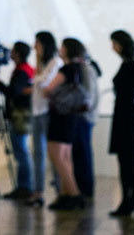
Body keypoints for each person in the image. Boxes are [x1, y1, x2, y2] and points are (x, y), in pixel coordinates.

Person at [42, 38, 88, 211]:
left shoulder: (67, 69)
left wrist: (45, 91)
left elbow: (48, 88)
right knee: (66, 155)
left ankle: (74, 194)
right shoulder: (80, 68)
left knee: (57, 155)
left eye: (62, 47)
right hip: (72, 115)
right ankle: (66, 193)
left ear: (67, 49)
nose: (60, 50)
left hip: (60, 116)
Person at [0, 41, 34, 200]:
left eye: (13, 51)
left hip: (19, 116)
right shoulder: (24, 69)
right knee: (21, 152)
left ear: (18, 53)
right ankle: (24, 186)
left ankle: (25, 187)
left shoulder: (22, 71)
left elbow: (13, 92)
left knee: (21, 152)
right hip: (20, 115)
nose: (9, 53)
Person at [108, 30, 134, 216]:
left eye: (114, 43)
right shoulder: (127, 65)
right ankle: (128, 200)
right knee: (126, 160)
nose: (112, 47)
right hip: (123, 116)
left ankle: (130, 200)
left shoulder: (132, 66)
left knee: (128, 160)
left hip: (127, 118)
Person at [26, 31, 62, 207]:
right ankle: (38, 191)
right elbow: (38, 81)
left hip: (48, 111)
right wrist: (37, 74)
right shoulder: (40, 63)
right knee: (37, 153)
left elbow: (45, 82)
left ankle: (61, 192)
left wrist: (36, 78)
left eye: (37, 43)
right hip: (37, 111)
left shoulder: (56, 62)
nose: (34, 47)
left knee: (54, 153)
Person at [72, 50, 100, 200]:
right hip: (85, 116)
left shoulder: (86, 70)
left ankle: (85, 188)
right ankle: (82, 186)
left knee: (83, 153)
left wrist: (81, 109)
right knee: (81, 153)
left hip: (84, 117)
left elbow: (89, 95)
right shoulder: (87, 69)